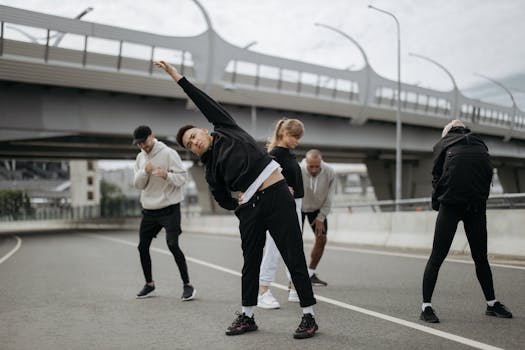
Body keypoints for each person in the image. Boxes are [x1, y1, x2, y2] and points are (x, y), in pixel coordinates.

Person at [154, 60, 318, 339]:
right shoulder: (210, 170)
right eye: (189, 144)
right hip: (251, 208)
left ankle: (308, 317)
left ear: (204, 130)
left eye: (194, 136)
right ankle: (248, 316)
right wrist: (238, 205)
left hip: (277, 196)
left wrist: (176, 77)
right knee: (250, 262)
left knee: (293, 256)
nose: (194, 142)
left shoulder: (226, 127)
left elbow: (201, 99)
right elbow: (221, 198)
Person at [420, 119, 512, 323]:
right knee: (481, 258)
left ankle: (426, 307)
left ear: (447, 132)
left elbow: (436, 177)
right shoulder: (480, 143)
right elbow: (488, 174)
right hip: (476, 207)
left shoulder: (442, 144)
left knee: (436, 257)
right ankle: (492, 303)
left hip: (450, 206)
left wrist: (437, 204)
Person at [132, 125, 196, 301]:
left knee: (172, 245)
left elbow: (183, 178)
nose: (142, 146)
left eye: (144, 142)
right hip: (149, 211)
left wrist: (166, 175)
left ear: (152, 136)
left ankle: (187, 285)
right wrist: (144, 172)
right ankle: (149, 284)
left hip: (169, 209)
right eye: (138, 144)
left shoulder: (169, 153)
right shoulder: (139, 158)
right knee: (142, 247)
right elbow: (138, 185)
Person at [257, 118, 305, 309]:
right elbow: (263, 178)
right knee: (273, 247)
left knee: (294, 246)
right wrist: (284, 188)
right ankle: (262, 290)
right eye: (296, 137)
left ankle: (294, 287)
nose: (298, 141)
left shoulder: (287, 153)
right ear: (285, 134)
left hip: (296, 204)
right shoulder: (274, 154)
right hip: (281, 205)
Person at [301, 149, 335, 286]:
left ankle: (310, 273)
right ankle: (295, 278)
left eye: (317, 166)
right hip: (298, 208)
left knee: (321, 238)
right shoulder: (298, 169)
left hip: (316, 209)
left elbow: (330, 197)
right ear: (306, 163)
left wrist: (321, 217)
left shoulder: (329, 172)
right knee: (294, 242)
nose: (314, 169)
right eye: (311, 166)